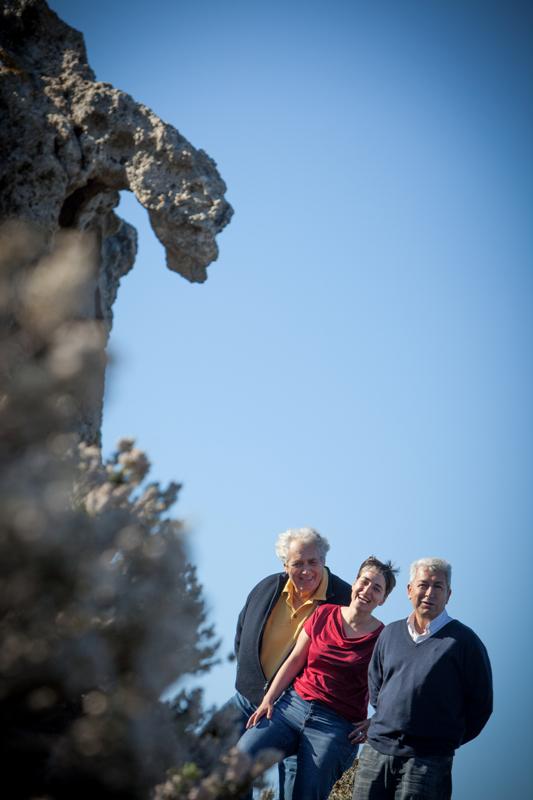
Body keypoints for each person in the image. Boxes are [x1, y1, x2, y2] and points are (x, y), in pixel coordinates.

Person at [236, 557, 398, 800]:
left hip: (335, 726)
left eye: (377, 588)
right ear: (354, 583)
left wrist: (376, 722)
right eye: (364, 582)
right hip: (291, 706)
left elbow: (396, 687)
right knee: (240, 759)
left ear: (383, 599)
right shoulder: (324, 613)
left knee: (306, 794)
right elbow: (294, 661)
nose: (367, 591)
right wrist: (268, 699)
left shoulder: (383, 638)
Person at [221, 527, 352, 800]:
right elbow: (242, 632)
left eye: (313, 562)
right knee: (211, 755)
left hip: (298, 706)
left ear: (324, 560)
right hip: (248, 699)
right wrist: (252, 680)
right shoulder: (268, 587)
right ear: (285, 565)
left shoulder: (343, 599)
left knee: (294, 790)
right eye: (297, 564)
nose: (306, 571)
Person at [352, 557, 493, 800]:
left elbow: (481, 706)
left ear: (448, 594)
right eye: (423, 585)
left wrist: (444, 739)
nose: (429, 593)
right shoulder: (390, 633)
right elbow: (376, 687)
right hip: (376, 753)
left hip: (428, 761)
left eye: (438, 587)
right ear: (409, 591)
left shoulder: (464, 642)